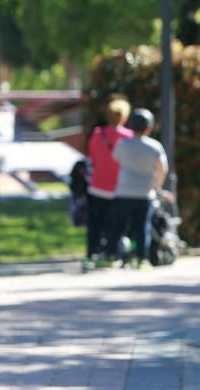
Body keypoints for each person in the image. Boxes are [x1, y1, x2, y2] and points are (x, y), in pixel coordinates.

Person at [112, 108, 168, 268]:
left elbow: (116, 158)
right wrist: (156, 185)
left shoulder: (122, 145)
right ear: (149, 128)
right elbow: (162, 169)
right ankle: (141, 258)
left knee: (118, 225)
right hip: (145, 193)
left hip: (123, 191)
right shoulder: (154, 146)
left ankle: (110, 254)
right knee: (142, 227)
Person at [84, 95, 133, 267]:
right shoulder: (129, 136)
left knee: (95, 223)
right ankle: (112, 254)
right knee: (116, 223)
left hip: (97, 185)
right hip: (120, 187)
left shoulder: (97, 134)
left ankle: (91, 254)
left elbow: (93, 158)